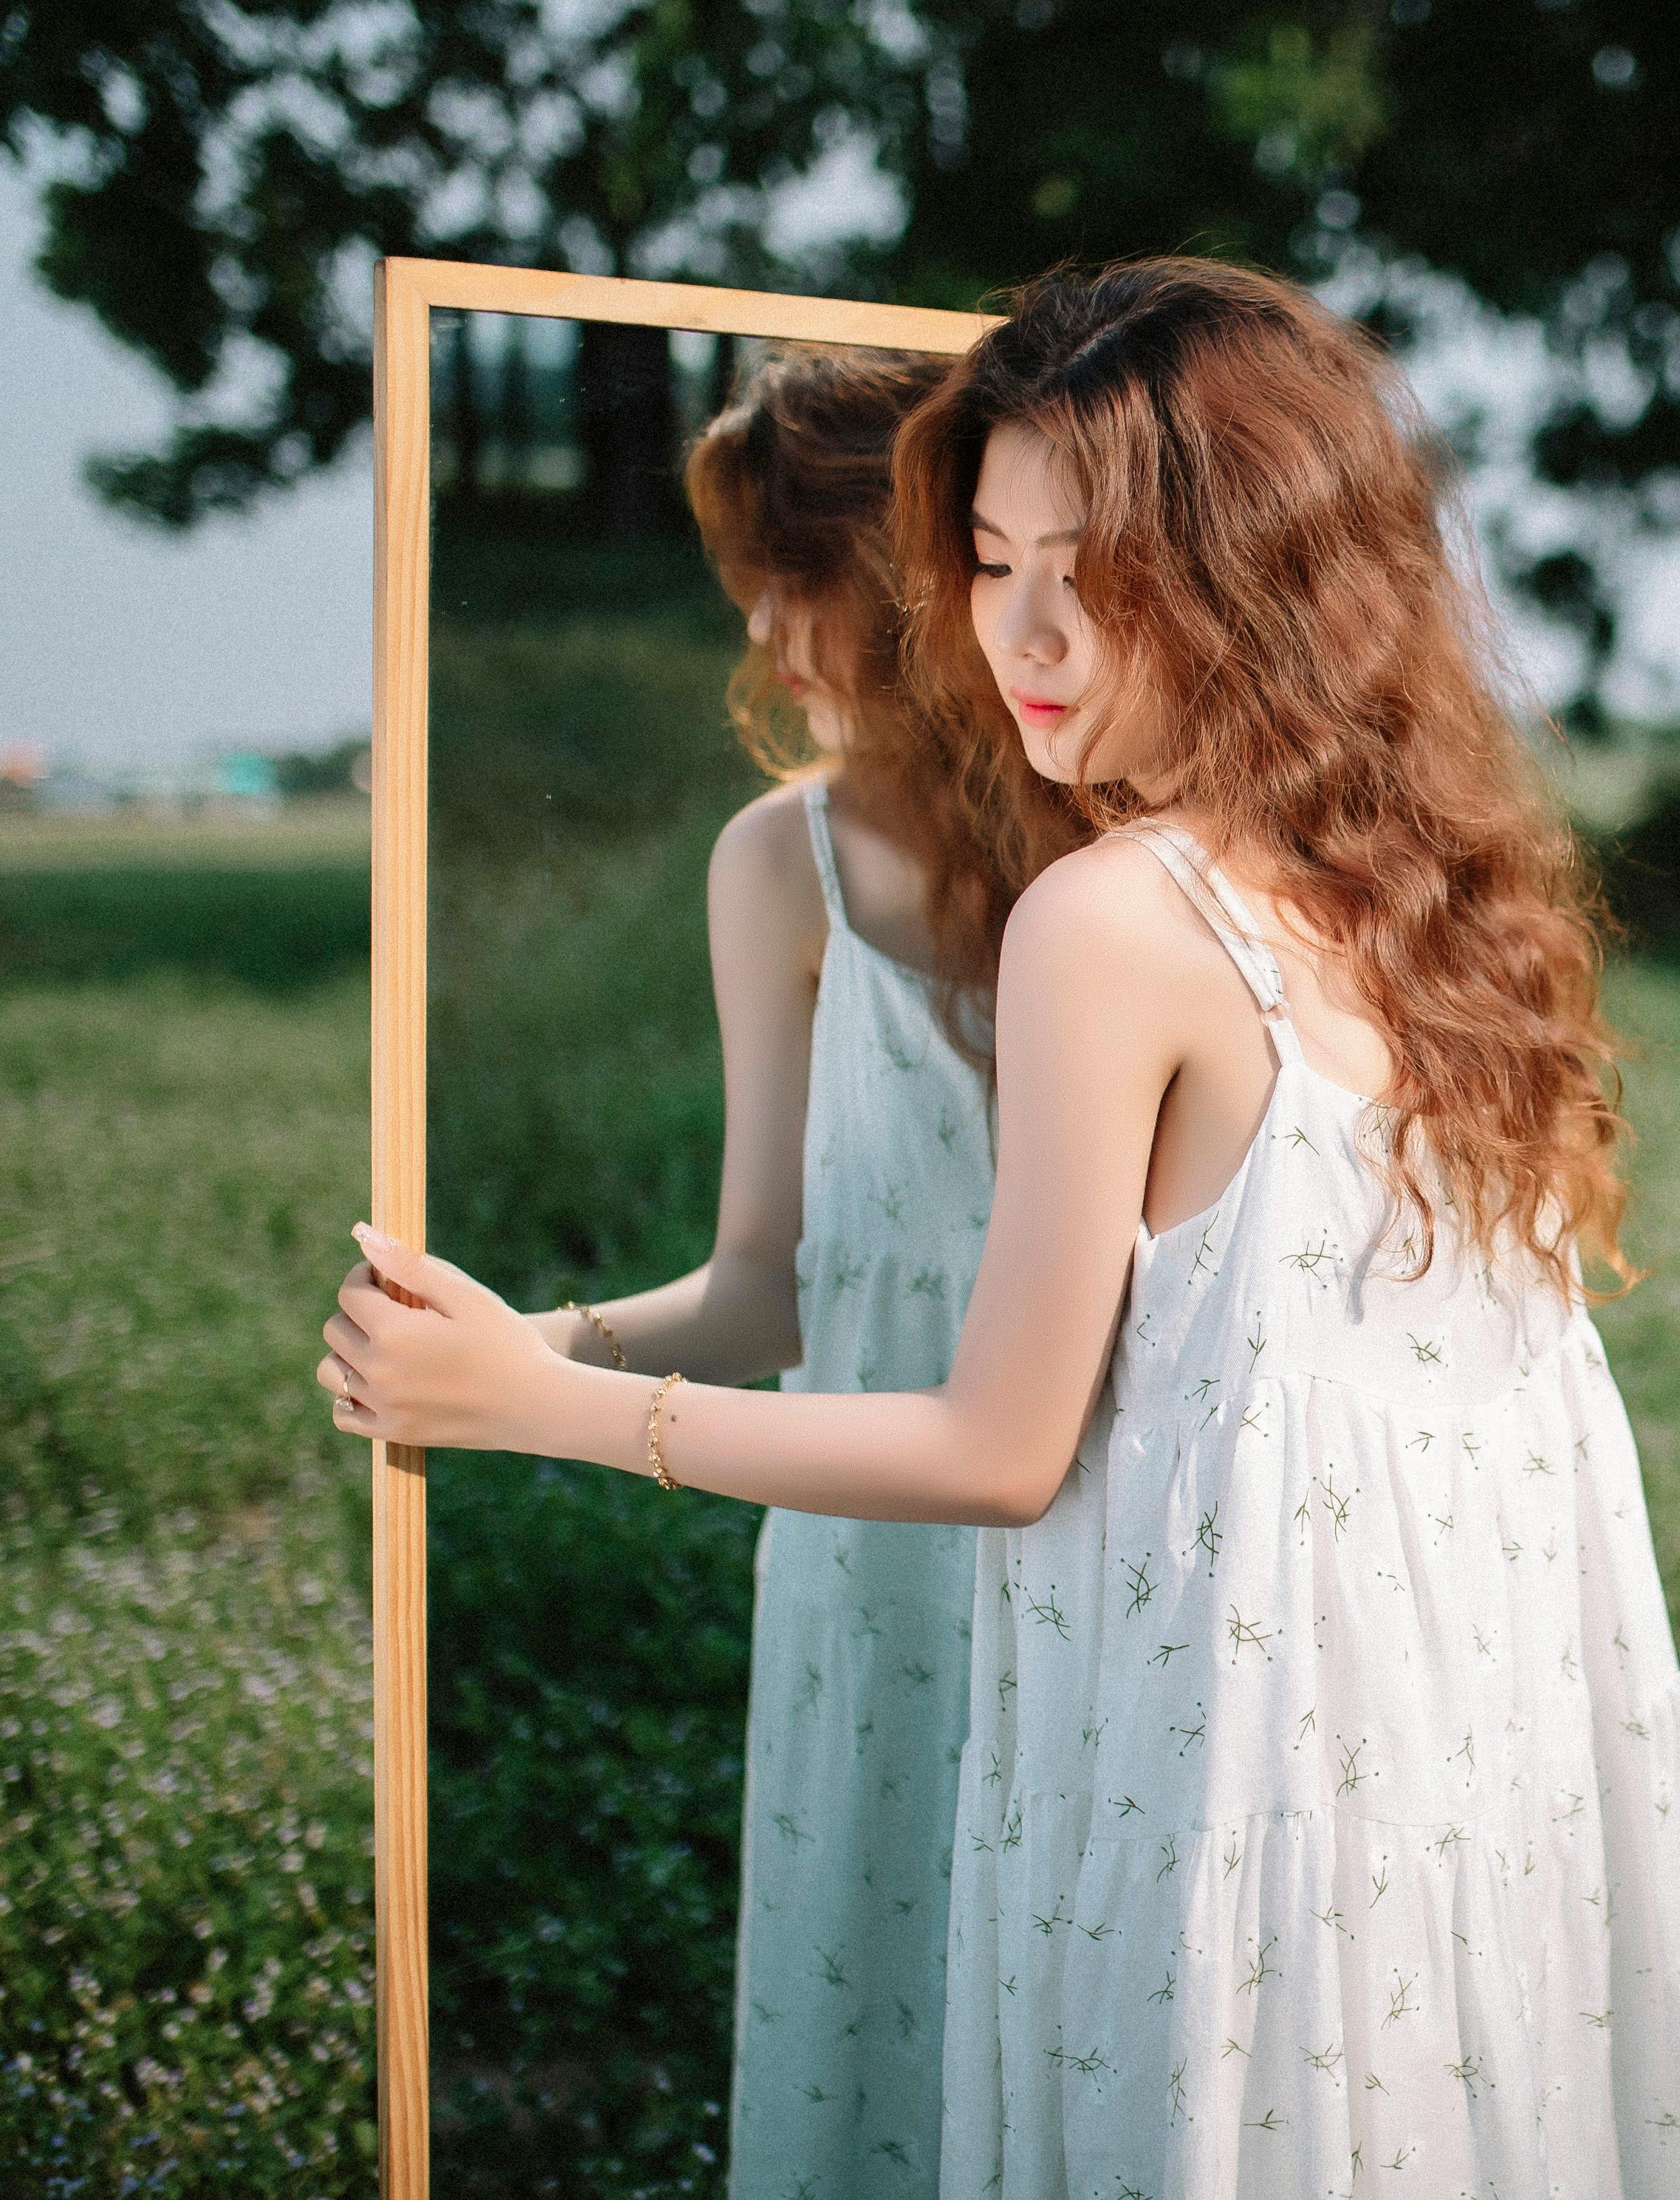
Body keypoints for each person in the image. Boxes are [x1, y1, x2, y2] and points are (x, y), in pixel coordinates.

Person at [320, 257, 1680, 2195]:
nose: (1022, 630)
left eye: (1089, 567)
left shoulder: (1109, 919)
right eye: (989, 557)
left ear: (1250, 572)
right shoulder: (1446, 904)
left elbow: (998, 1446)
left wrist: (544, 1396)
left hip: (1229, 1778)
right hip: (1463, 1782)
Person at [517, 342, 1065, 2197]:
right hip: (882, 1557)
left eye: (791, 567)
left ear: (915, 561)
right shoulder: (786, 865)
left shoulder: (1135, 824)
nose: (762, 626)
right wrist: (531, 1349)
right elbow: (767, 1283)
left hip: (1132, 1533)